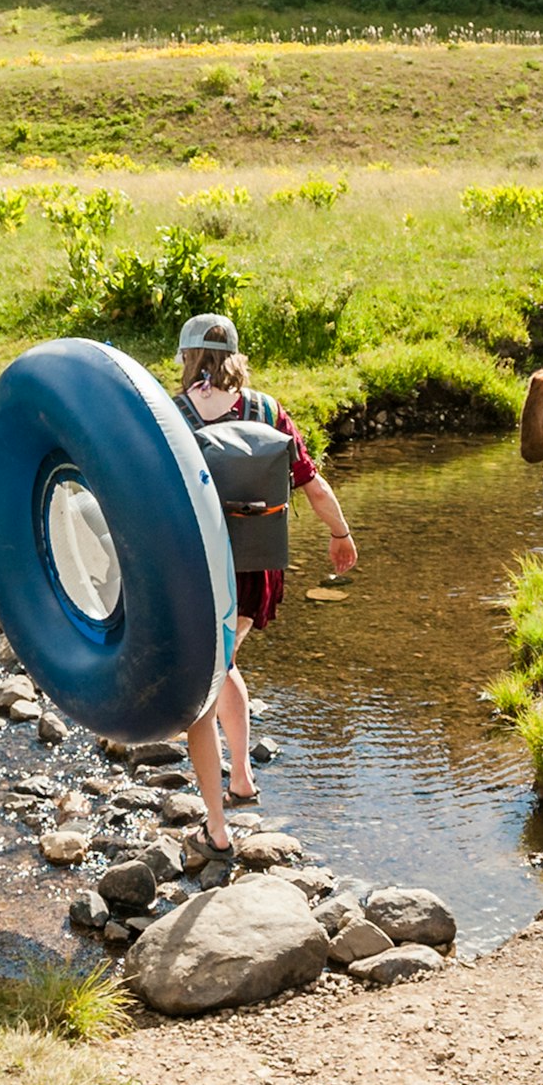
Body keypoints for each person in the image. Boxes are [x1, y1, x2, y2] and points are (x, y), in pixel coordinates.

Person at [174, 312, 356, 849]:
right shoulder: (267, 410)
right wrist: (341, 535)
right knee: (225, 662)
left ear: (187, 358)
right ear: (235, 357)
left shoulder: (171, 415)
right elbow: (313, 486)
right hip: (256, 573)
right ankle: (244, 779)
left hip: (197, 573)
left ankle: (217, 826)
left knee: (199, 702)